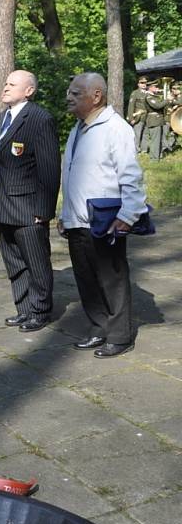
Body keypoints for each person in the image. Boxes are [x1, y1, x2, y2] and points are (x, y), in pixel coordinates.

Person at [59, 72, 147, 358]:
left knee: (112, 278)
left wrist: (129, 214)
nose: (68, 98)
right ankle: (98, 327)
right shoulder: (78, 129)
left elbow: (131, 176)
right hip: (77, 220)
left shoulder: (115, 128)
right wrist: (65, 213)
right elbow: (72, 175)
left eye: (75, 93)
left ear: (96, 96)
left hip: (105, 220)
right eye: (69, 93)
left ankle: (120, 335)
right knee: (86, 278)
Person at [0, 70, 61, 332]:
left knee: (36, 263)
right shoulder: (0, 119)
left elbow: (49, 168)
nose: (5, 87)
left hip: (29, 207)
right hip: (3, 206)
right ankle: (24, 309)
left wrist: (44, 209)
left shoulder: (40, 119)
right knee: (15, 263)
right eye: (5, 82)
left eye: (12, 84)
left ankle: (40, 311)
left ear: (29, 91)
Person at [126, 76, 149, 151]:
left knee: (145, 134)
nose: (144, 84)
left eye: (145, 83)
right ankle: (136, 149)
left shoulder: (148, 93)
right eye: (142, 83)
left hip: (147, 116)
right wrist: (131, 118)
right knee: (137, 134)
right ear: (138, 84)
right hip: (139, 116)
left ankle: (144, 149)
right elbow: (131, 106)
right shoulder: (135, 93)